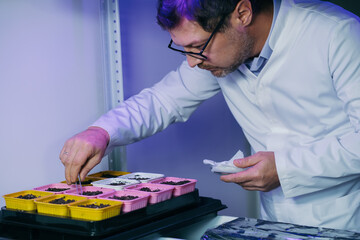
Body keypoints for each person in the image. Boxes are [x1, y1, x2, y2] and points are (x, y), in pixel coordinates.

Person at [60, 0, 360, 232]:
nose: (191, 63)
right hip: (276, 221)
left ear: (242, 13)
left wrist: (285, 168)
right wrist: (102, 131)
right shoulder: (221, 55)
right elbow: (163, 100)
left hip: (349, 219)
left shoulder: (337, 34)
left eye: (197, 47)